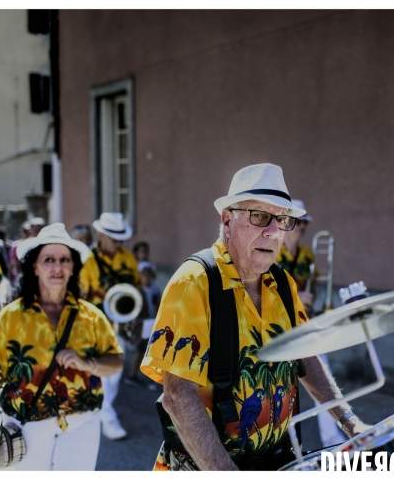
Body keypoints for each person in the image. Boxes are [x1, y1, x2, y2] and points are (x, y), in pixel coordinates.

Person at [141, 163, 368, 471]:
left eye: (282, 219)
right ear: (227, 220)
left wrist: (350, 421)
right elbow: (178, 397)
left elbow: (306, 356)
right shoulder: (194, 283)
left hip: (278, 460)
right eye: (260, 217)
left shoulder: (283, 284)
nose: (274, 232)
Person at [0, 223, 123, 470]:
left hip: (82, 425)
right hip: (26, 423)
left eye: (64, 260)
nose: (57, 267)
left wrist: (87, 364)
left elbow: (116, 361)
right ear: (34, 266)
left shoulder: (91, 316)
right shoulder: (10, 317)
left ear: (73, 267)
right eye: (48, 259)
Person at [274, 199, 346, 447]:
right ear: (285, 221)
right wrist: (296, 298)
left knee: (323, 379)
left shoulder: (307, 254)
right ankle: (281, 443)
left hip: (306, 324)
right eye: (297, 221)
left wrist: (324, 305)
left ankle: (332, 440)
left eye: (305, 223)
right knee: (280, 387)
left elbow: (314, 287)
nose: (302, 227)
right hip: (279, 327)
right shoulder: (272, 252)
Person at [79, 212, 141, 440]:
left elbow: (136, 289)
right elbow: (81, 296)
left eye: (121, 240)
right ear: (102, 235)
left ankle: (101, 410)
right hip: (95, 323)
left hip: (121, 323)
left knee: (115, 371)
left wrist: (137, 319)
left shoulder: (127, 258)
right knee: (104, 371)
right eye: (115, 239)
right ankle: (106, 416)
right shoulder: (87, 261)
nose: (119, 244)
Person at [124, 260, 162, 391]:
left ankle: (150, 377)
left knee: (152, 350)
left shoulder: (155, 288)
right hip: (143, 325)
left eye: (148, 274)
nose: (146, 277)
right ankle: (132, 375)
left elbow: (159, 303)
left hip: (153, 322)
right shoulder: (138, 290)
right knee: (141, 350)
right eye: (143, 274)